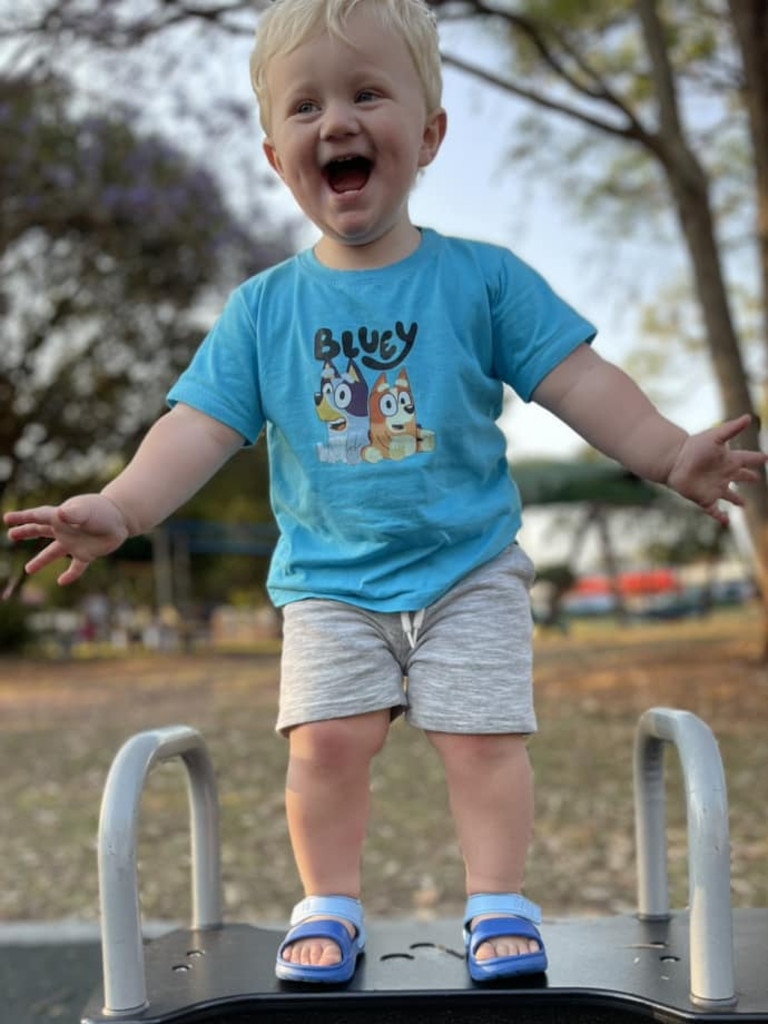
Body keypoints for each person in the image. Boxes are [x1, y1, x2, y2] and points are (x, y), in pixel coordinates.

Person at [4, 0, 766, 988]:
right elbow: (195, 428)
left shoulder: (484, 281)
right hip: (330, 576)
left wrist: (669, 453)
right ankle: (329, 901)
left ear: (430, 134)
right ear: (280, 156)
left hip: (469, 567)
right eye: (307, 106)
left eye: (368, 94)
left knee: (483, 739)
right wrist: (122, 504)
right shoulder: (264, 310)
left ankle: (497, 902)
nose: (338, 123)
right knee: (325, 743)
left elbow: (581, 380)